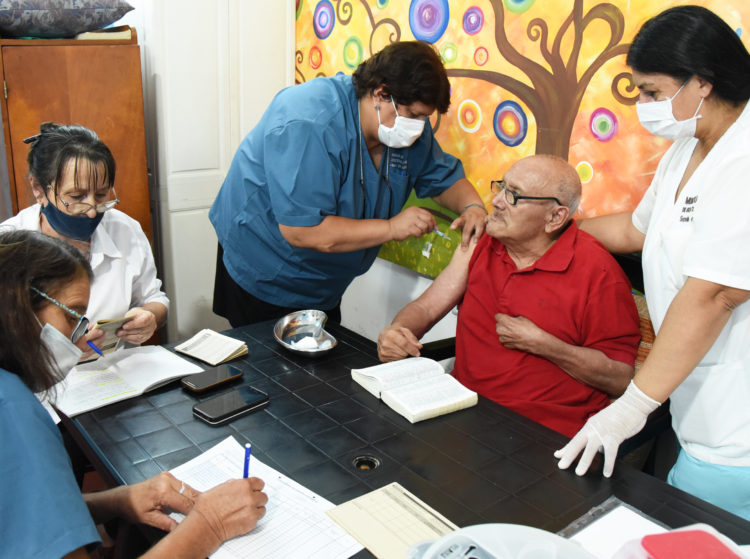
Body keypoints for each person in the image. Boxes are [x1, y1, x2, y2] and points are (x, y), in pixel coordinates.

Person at [555, 6, 750, 521]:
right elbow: (637, 231)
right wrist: (554, 231)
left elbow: (715, 295)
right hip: (697, 404)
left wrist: (632, 406)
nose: (642, 106)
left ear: (703, 82)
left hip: (737, 428)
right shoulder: (689, 147)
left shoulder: (744, 159)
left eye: (652, 92)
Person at [0, 229, 268, 558]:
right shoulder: (13, 412)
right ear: (16, 305)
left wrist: (119, 500)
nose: (78, 340)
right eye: (71, 316)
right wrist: (211, 525)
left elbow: (22, 512)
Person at [209, 40, 487, 327]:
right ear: (381, 93)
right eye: (413, 115)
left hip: (325, 282)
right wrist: (391, 228)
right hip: (265, 263)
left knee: (320, 349)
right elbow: (303, 230)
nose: (418, 127)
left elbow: (442, 177)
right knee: (263, 352)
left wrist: (473, 206)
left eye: (424, 118)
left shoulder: (403, 129)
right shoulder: (310, 120)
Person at [377, 155, 641, 437]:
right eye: (501, 187)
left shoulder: (599, 273)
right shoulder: (482, 241)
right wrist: (398, 331)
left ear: (555, 217)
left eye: (513, 196)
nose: (496, 201)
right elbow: (427, 308)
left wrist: (546, 345)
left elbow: (620, 379)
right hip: (462, 409)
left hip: (543, 431)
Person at [1, 123, 168, 352]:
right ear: (39, 189)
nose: (91, 211)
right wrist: (61, 353)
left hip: (117, 369)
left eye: (101, 195)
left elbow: (154, 298)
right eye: (76, 196)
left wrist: (150, 317)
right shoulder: (9, 246)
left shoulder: (125, 230)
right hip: (41, 374)